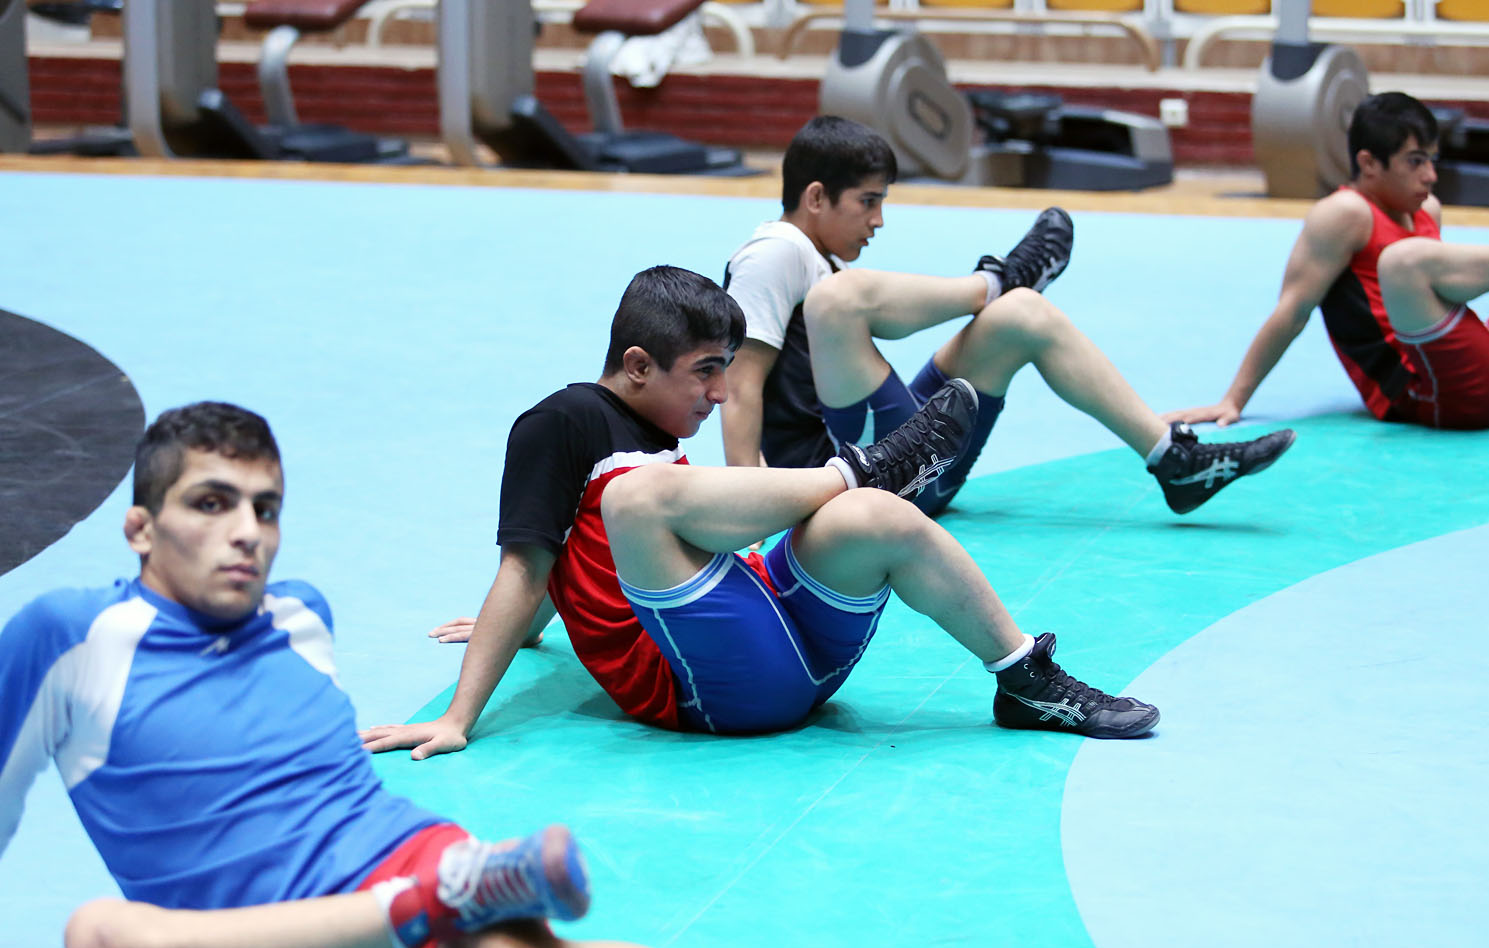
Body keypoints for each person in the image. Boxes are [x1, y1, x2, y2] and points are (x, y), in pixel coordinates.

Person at [0, 401, 745, 948]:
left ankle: (442, 896)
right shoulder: (71, 637)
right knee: (99, 942)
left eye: (265, 509)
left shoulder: (299, 615)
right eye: (212, 503)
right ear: (139, 529)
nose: (246, 533)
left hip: (407, 859)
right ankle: (436, 899)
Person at [360, 266, 1159, 764]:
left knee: (870, 516)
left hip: (786, 650)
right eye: (705, 371)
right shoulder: (560, 424)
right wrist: (460, 715)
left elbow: (561, 559)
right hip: (704, 689)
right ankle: (861, 465)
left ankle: (1024, 679)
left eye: (726, 371)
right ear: (636, 366)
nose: (719, 393)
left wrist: (536, 624)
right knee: (637, 497)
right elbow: (529, 562)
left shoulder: (653, 434)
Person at [718, 114, 1296, 517]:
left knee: (1023, 312)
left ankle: (1174, 459)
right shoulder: (775, 253)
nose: (879, 221)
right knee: (839, 301)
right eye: (868, 202)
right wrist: (748, 518)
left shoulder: (819, 258)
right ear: (816, 197)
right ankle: (995, 280)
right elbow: (740, 389)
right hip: (850, 481)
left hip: (913, 465)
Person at [1167, 91, 1489, 431]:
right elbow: (1292, 311)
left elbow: (1443, 309)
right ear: (1369, 163)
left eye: (1432, 160)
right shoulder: (1343, 214)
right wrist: (1234, 400)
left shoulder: (1426, 208)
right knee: (1402, 261)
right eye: (1415, 162)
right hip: (1426, 396)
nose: (1430, 176)